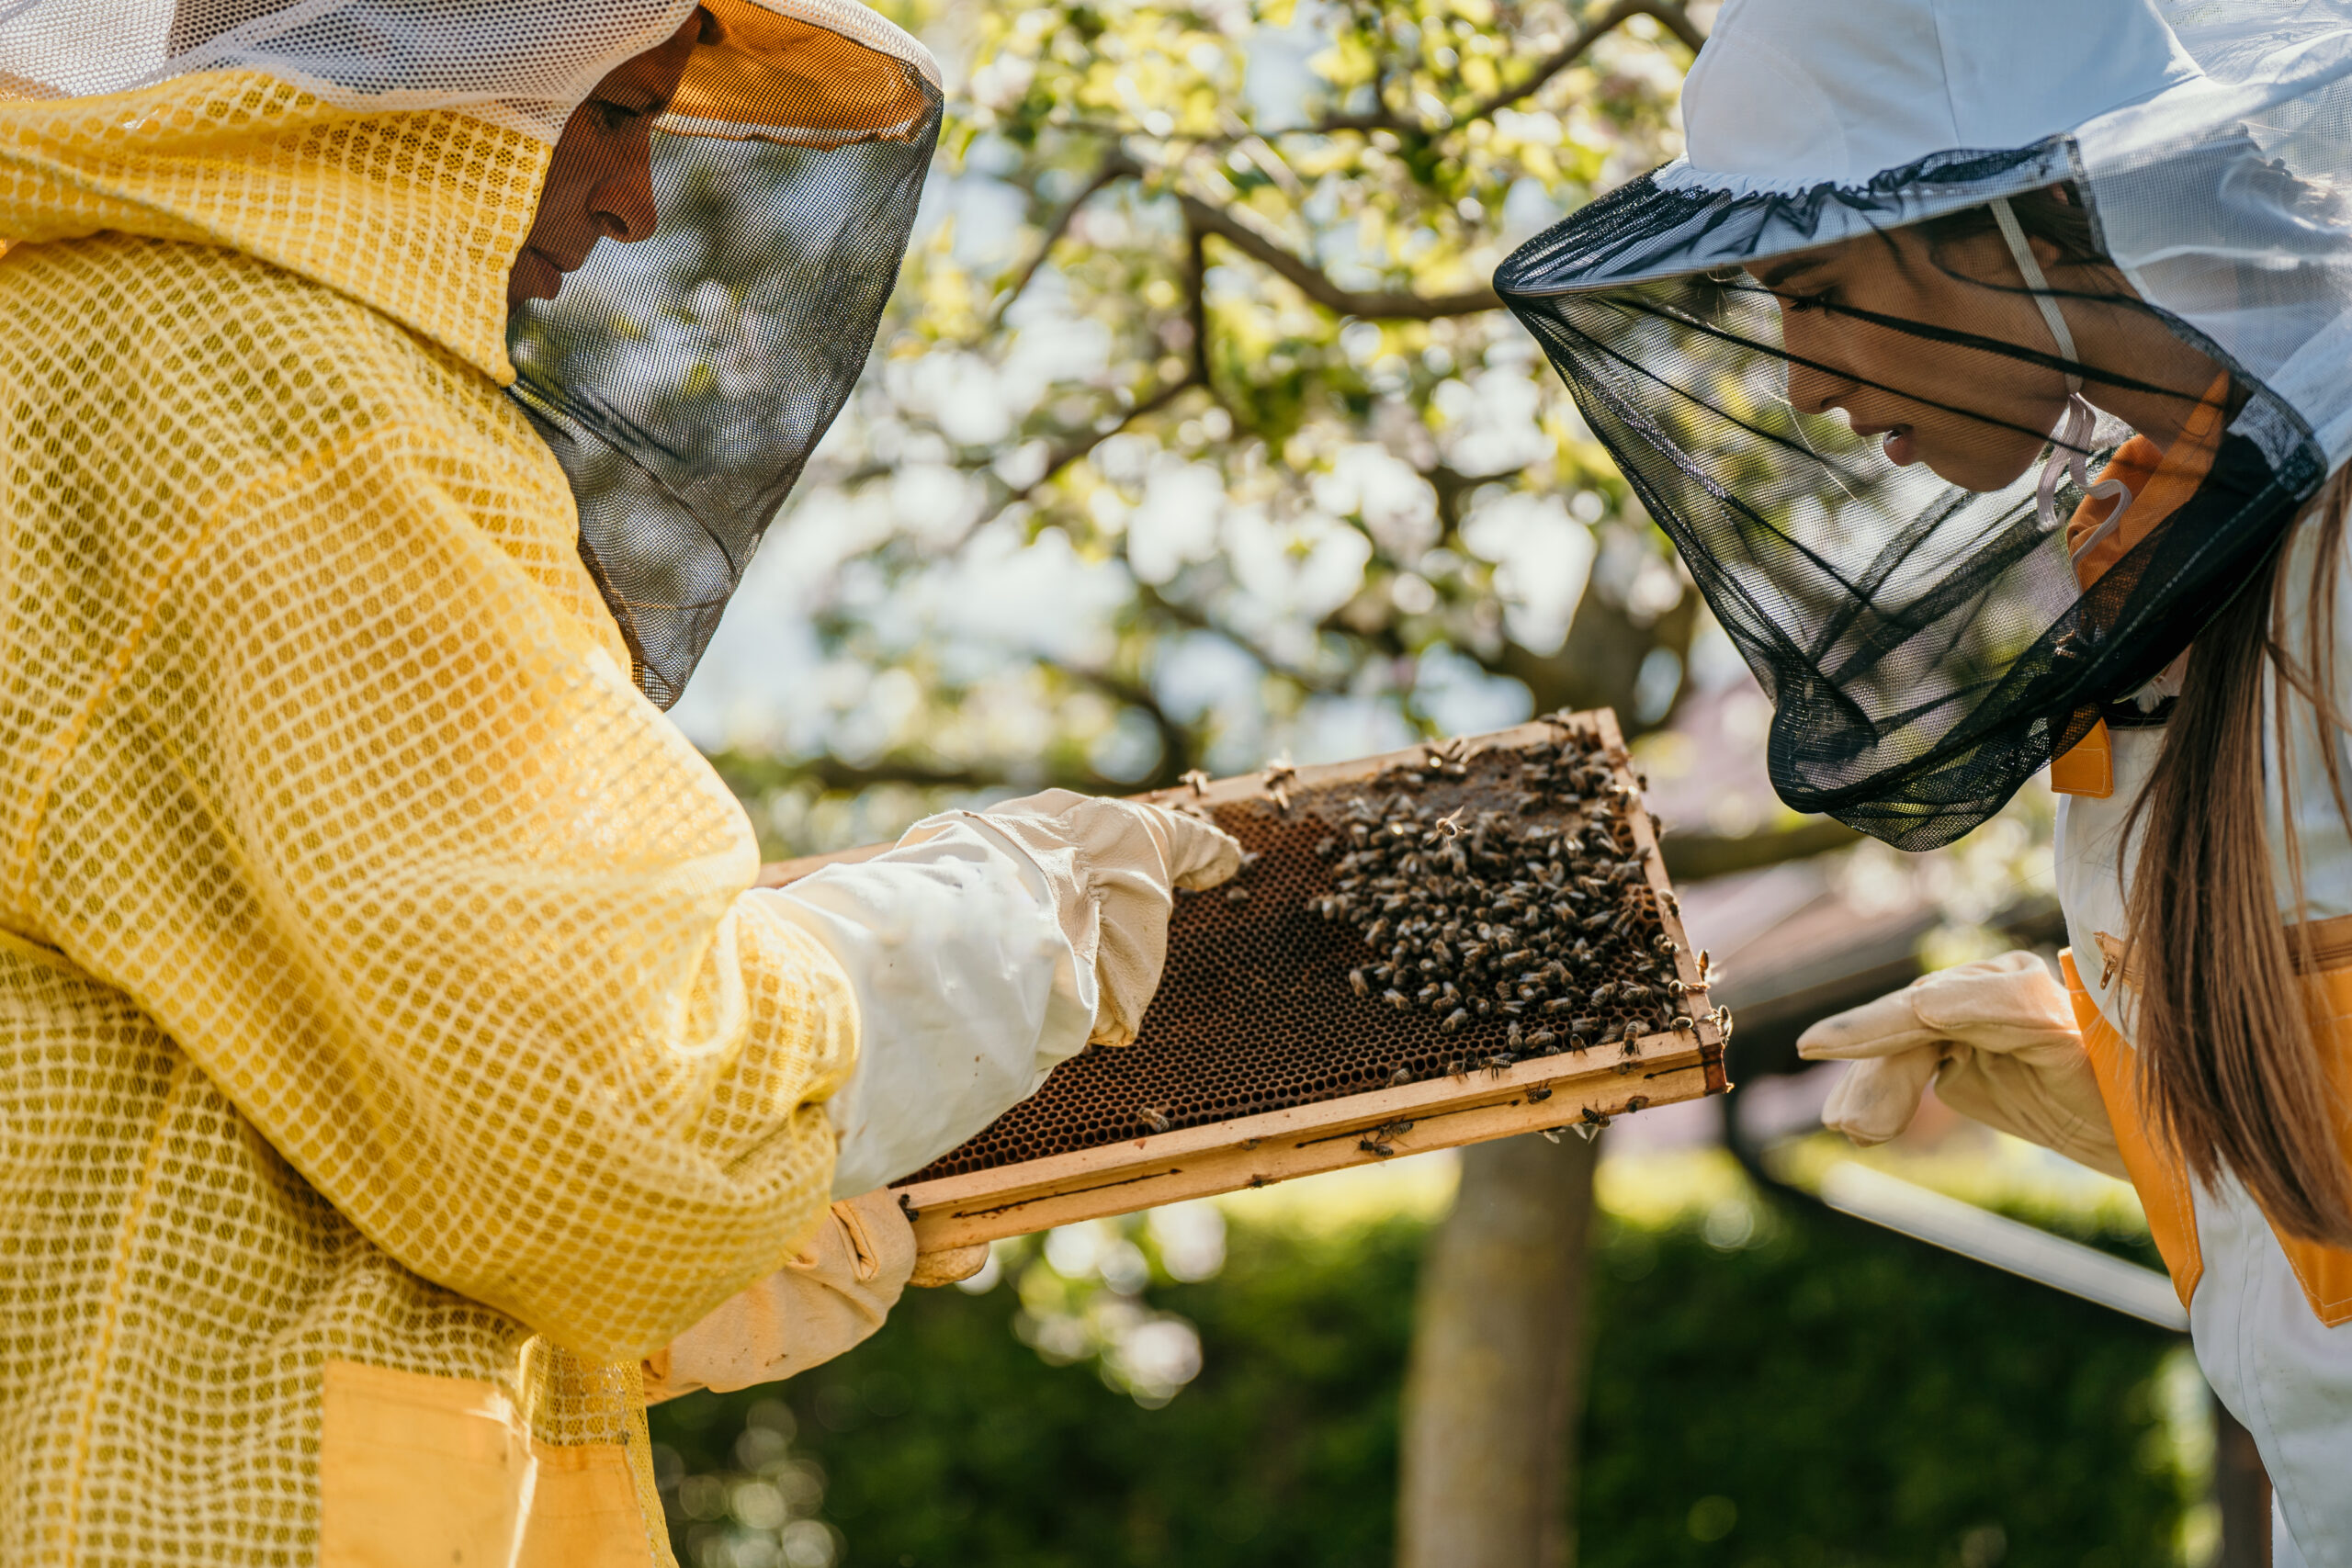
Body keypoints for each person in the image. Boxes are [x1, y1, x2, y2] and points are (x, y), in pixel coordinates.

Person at [0, 2, 1236, 1562]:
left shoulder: (78, 341)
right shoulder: (292, 401)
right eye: (614, 112)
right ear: (433, 73)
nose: (635, 202)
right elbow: (598, 1106)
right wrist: (1000, 930)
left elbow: (274, 1093)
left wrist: (776, 1223)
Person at [1496, 0, 2352, 1561]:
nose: (1801, 378)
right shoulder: (2173, 542)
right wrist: (2148, 1082)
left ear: (2012, 218)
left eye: (1817, 293)